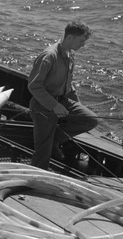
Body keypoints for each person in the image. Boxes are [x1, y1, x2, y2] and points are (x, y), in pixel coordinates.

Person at [27, 21, 98, 170]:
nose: (83, 45)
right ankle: (33, 182)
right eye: (81, 41)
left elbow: (68, 84)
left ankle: (54, 139)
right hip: (43, 107)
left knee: (90, 120)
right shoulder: (49, 56)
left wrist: (76, 104)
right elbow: (34, 86)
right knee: (42, 154)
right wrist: (54, 106)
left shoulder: (70, 54)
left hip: (63, 101)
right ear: (70, 37)